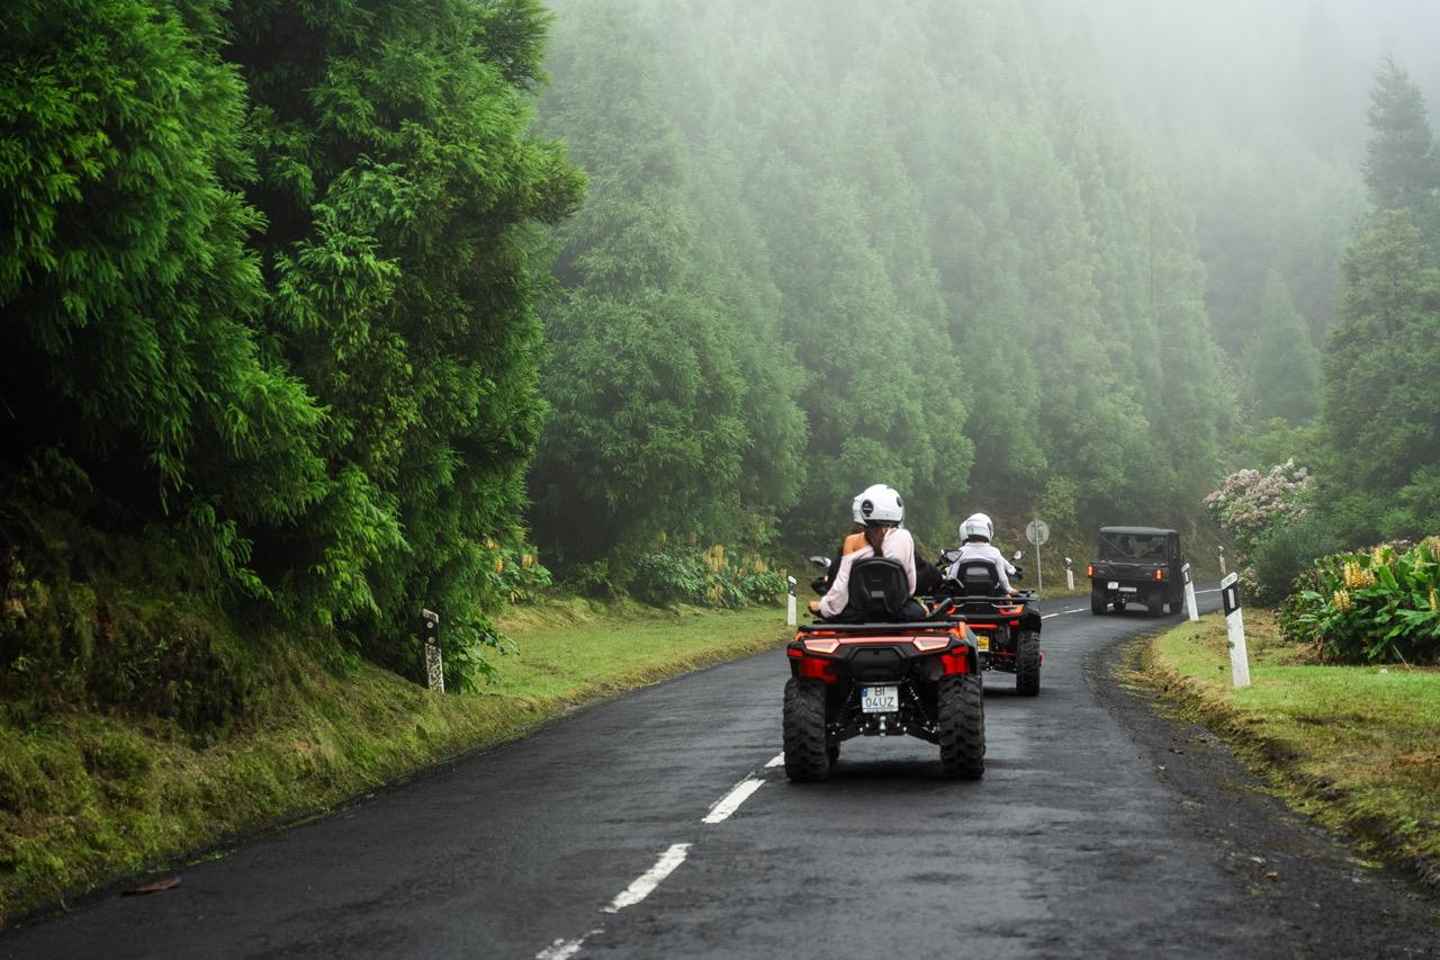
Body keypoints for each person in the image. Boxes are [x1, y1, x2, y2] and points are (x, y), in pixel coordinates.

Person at [810, 485, 922, 621]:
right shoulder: (905, 537)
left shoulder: (851, 541)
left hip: (859, 613)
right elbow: (910, 586)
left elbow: (841, 587)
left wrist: (825, 607)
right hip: (896, 612)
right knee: (920, 610)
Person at [946, 512, 1017, 595]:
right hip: (991, 594)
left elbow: (952, 577)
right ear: (987, 531)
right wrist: (1009, 589)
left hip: (965, 595)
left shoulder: (960, 551)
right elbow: (1002, 578)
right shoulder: (995, 552)